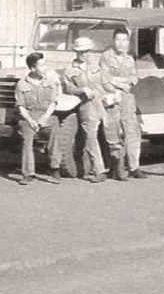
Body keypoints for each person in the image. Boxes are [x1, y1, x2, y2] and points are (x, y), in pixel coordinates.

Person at [100, 28, 146, 181]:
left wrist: (122, 82)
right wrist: (121, 84)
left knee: (131, 133)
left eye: (124, 40)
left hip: (127, 99)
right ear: (113, 41)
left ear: (128, 42)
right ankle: (116, 167)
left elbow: (134, 78)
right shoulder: (106, 57)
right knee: (112, 133)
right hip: (112, 98)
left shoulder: (130, 59)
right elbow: (105, 78)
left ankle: (134, 167)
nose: (121, 44)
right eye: (118, 40)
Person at [61, 37, 109, 183]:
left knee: (113, 136)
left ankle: (118, 167)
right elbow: (68, 88)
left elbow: (107, 82)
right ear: (75, 52)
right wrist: (81, 90)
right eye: (81, 51)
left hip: (104, 104)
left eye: (87, 51)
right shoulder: (70, 70)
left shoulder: (98, 66)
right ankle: (99, 170)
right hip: (87, 106)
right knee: (91, 138)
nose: (84, 54)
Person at [14, 52, 62, 186]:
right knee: (27, 137)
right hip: (29, 116)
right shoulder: (22, 84)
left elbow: (53, 102)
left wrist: (44, 118)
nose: (45, 68)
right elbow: (21, 106)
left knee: (55, 131)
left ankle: (54, 168)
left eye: (45, 64)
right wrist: (30, 120)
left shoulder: (50, 81)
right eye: (42, 66)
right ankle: (28, 173)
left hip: (46, 115)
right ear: (33, 68)